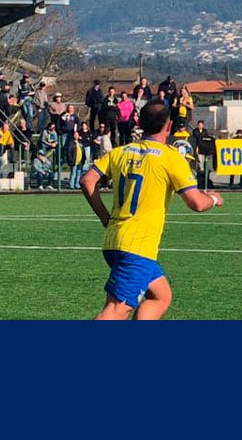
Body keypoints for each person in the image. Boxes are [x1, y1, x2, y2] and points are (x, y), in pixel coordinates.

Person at [79, 99, 223, 320]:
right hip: (138, 245)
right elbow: (197, 203)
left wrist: (105, 218)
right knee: (117, 308)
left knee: (161, 296)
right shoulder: (170, 158)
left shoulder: (120, 152)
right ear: (168, 126)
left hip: (115, 239)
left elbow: (87, 181)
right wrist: (213, 198)